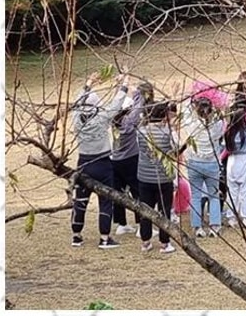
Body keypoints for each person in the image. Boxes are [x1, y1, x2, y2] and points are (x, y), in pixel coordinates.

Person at [71, 73, 129, 249]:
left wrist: (88, 84)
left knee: (80, 199)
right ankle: (104, 238)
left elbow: (77, 101)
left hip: (83, 162)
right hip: (102, 162)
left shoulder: (76, 117)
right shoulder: (102, 117)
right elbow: (116, 104)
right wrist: (124, 85)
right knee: (105, 200)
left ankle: (76, 235)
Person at [110, 81, 153, 236]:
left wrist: (122, 86)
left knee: (118, 192)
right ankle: (142, 224)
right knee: (138, 192)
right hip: (130, 159)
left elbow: (117, 104)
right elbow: (139, 107)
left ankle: (121, 223)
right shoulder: (128, 123)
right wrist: (137, 93)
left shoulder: (114, 122)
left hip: (115, 160)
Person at [137, 101, 181, 253]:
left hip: (144, 176)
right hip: (163, 177)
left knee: (145, 210)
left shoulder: (141, 131)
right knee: (164, 210)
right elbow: (176, 149)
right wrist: (173, 129)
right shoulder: (167, 133)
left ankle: (145, 241)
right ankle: (164, 242)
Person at [182, 96, 224, 237]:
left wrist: (189, 100)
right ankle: (215, 225)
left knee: (196, 196)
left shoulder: (192, 125)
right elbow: (222, 120)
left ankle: (197, 227)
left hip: (194, 163)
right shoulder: (216, 126)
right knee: (213, 196)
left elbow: (184, 112)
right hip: (212, 164)